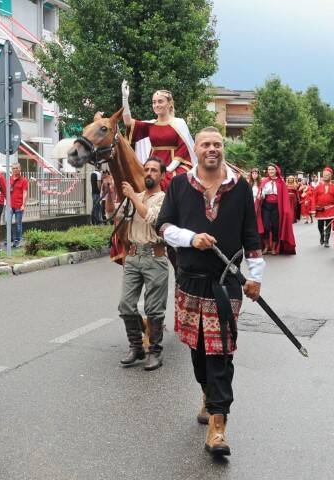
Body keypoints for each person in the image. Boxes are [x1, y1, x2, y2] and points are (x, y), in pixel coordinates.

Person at [156, 127, 265, 457]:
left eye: (217, 144)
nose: (212, 149)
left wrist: (255, 277)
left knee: (220, 352)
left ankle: (218, 425)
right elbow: (163, 226)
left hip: (226, 282)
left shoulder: (240, 188)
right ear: (196, 150)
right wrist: (191, 238)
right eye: (206, 144)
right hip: (190, 280)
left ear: (223, 149)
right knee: (199, 352)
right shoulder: (178, 185)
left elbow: (252, 235)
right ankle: (207, 392)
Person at [116, 157, 169, 371]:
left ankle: (155, 352)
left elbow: (153, 219)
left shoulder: (165, 199)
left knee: (154, 309)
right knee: (126, 305)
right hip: (133, 256)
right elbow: (117, 219)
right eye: (146, 169)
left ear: (162, 175)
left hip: (154, 257)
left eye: (154, 170)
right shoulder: (134, 196)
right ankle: (136, 347)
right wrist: (110, 194)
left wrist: (132, 198)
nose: (148, 173)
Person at [121, 80, 197, 191]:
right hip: (153, 164)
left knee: (175, 182)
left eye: (160, 101)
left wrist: (167, 169)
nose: (156, 105)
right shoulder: (151, 124)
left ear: (169, 103)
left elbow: (183, 149)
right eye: (154, 102)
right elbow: (128, 122)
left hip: (175, 165)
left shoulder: (179, 123)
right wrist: (125, 99)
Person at [257, 164, 296, 255]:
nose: (270, 171)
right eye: (269, 169)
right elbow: (261, 194)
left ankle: (274, 248)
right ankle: (266, 246)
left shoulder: (280, 182)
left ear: (276, 171)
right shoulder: (264, 181)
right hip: (266, 206)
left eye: (272, 169)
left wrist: (286, 210)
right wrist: (260, 195)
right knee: (266, 227)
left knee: (275, 227)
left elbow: (284, 197)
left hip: (276, 207)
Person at [313, 167, 334, 247]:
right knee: (320, 225)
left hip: (330, 209)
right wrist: (313, 209)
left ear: (330, 176)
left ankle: (326, 241)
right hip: (320, 209)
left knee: (328, 225)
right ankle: (322, 235)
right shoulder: (317, 187)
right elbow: (314, 198)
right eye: (324, 175)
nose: (325, 176)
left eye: (327, 175)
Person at [9, 163, 29, 248]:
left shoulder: (24, 180)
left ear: (20, 169)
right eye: (13, 168)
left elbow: (25, 193)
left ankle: (18, 240)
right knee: (8, 222)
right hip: (10, 205)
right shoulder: (9, 179)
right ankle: (11, 239)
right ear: (11, 169)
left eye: (16, 168)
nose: (15, 170)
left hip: (19, 205)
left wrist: (23, 205)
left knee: (18, 224)